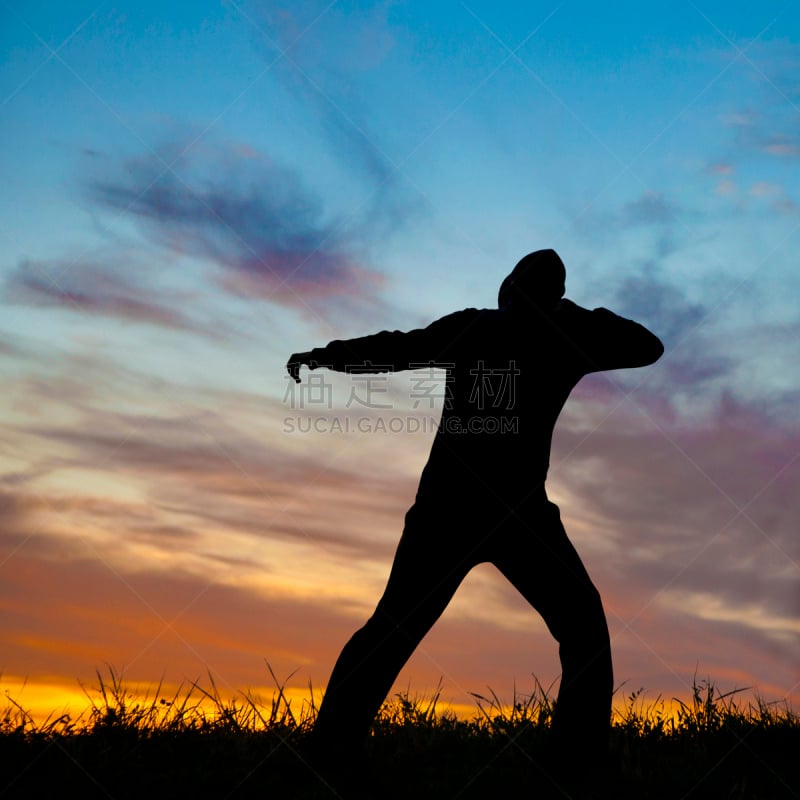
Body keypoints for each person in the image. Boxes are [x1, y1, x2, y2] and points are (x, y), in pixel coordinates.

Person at [287, 249, 664, 786]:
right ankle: (575, 765)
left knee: (395, 629)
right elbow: (646, 345)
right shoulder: (565, 335)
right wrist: (575, 313)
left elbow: (396, 348)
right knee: (579, 627)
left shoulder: (482, 328)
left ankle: (328, 753)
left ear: (509, 291)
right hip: (497, 511)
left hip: (468, 508)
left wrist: (326, 355)